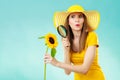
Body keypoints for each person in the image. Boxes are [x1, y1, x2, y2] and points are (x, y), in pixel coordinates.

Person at [44, 5, 105, 80]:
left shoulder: (92, 36)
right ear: (68, 21)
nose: (77, 20)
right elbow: (67, 72)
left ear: (84, 20)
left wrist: (57, 63)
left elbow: (84, 69)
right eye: (73, 17)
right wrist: (66, 51)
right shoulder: (67, 40)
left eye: (80, 16)